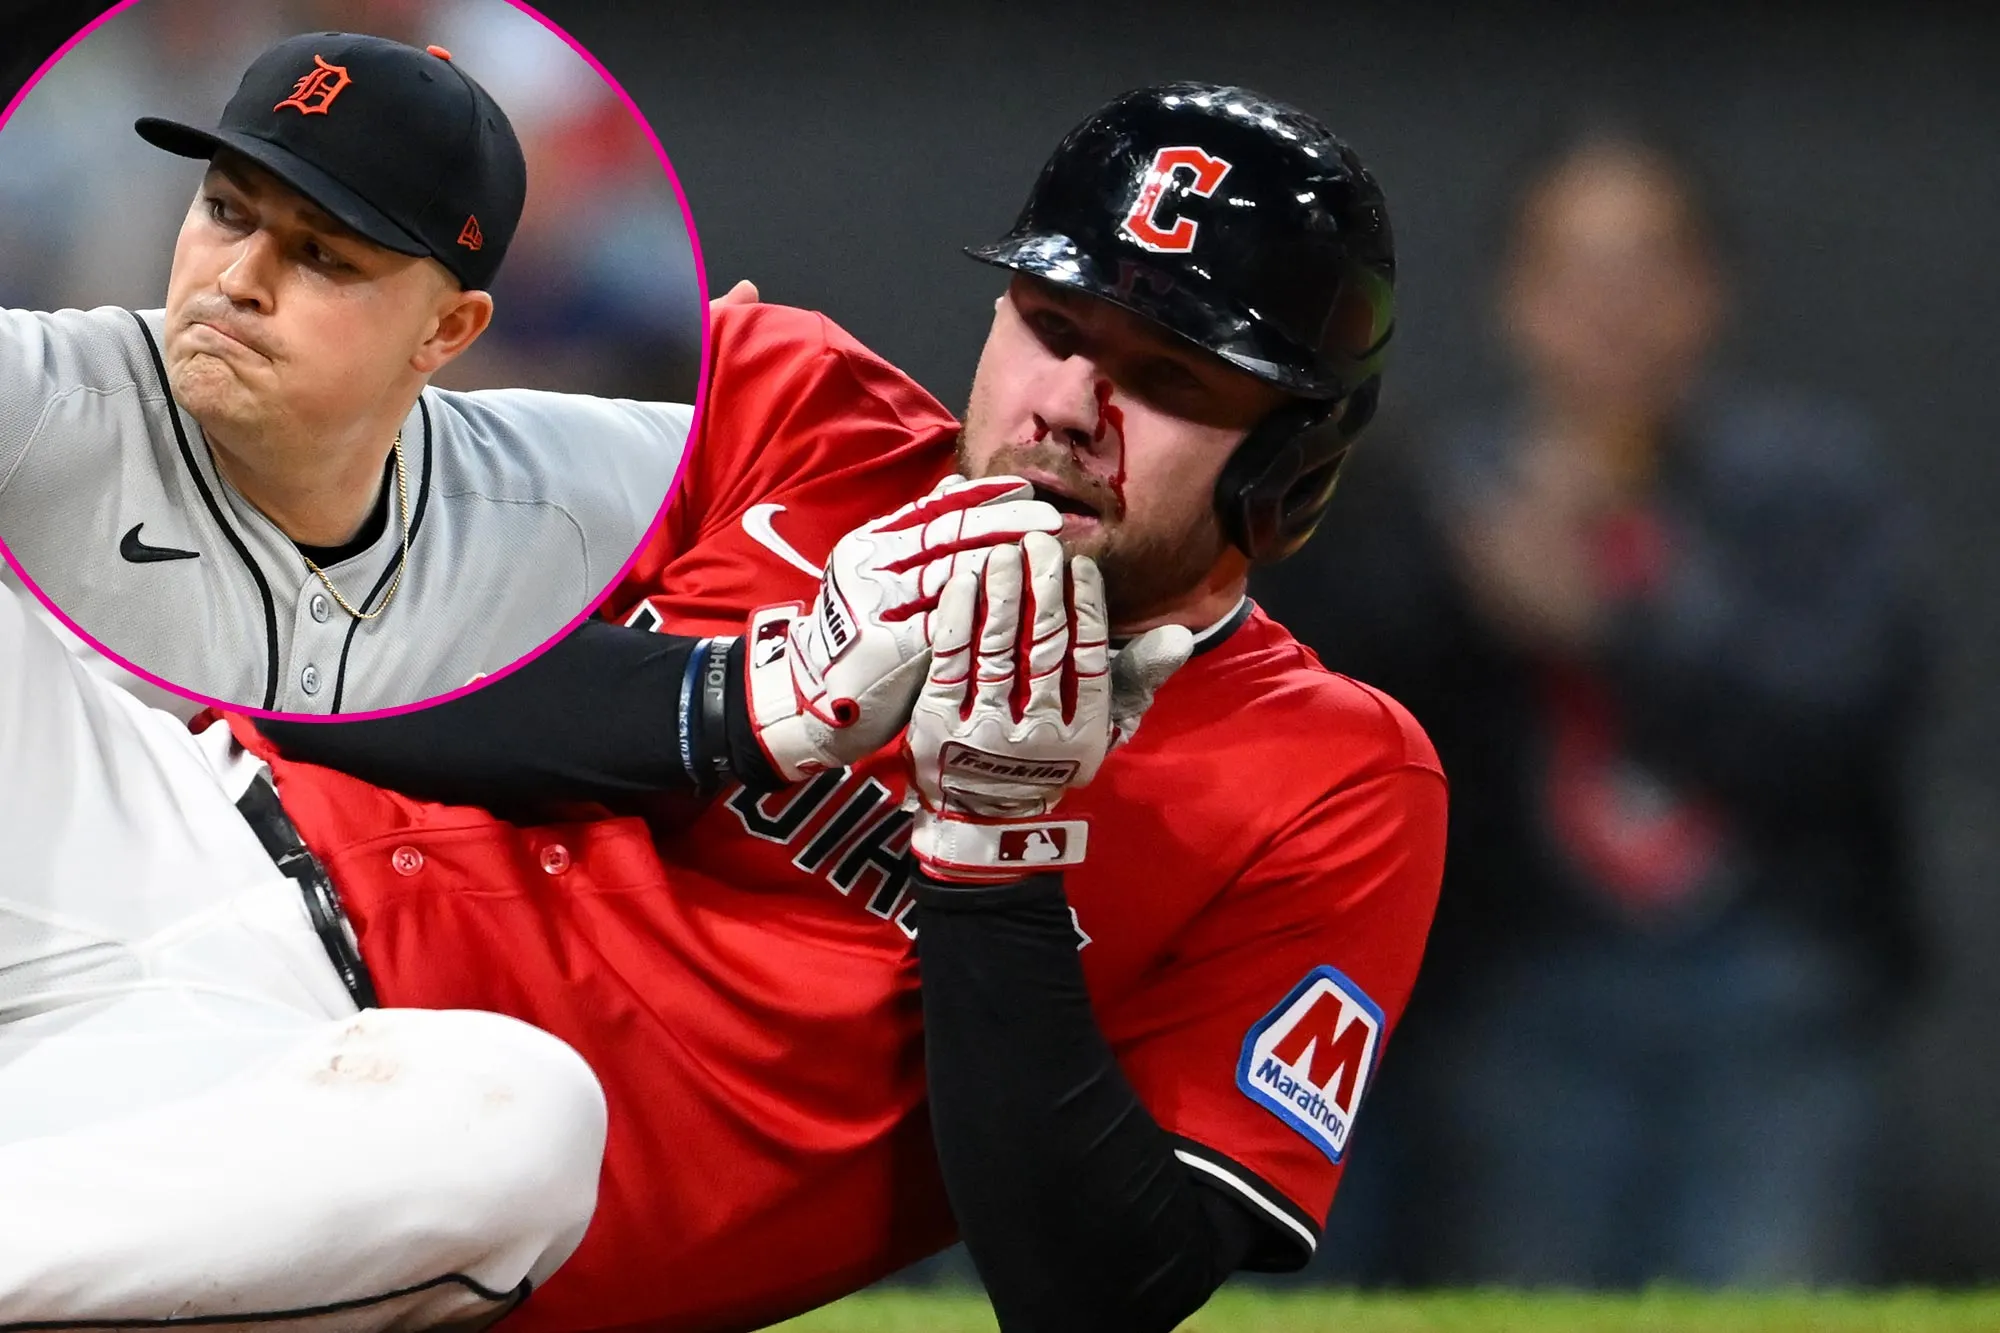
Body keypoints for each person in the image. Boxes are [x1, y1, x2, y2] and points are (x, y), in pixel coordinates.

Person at [1, 85, 1444, 1333]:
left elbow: (1102, 1290)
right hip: (159, 841)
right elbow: (324, 673)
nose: (1064, 403)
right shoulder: (783, 398)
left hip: (369, 1138)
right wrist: (745, 694)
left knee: (517, 1124)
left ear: (1291, 466)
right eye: (1048, 325)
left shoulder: (1333, 779)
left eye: (1165, 378)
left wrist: (995, 866)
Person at [1256, 122, 1928, 1286]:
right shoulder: (1434, 496)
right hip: (1522, 991)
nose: (1611, 311)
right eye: (1573, 273)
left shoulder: (1806, 491)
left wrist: (1613, 628)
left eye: (1646, 269)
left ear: (1708, 289)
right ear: (1512, 298)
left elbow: (1845, 714)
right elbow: (1341, 739)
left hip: (1770, 990)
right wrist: (1460, 596)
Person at [0, 30, 689, 713]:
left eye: (321, 254)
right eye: (227, 211)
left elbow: (746, 430)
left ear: (446, 328)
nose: (238, 280)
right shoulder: (41, 401)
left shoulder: (544, 489)